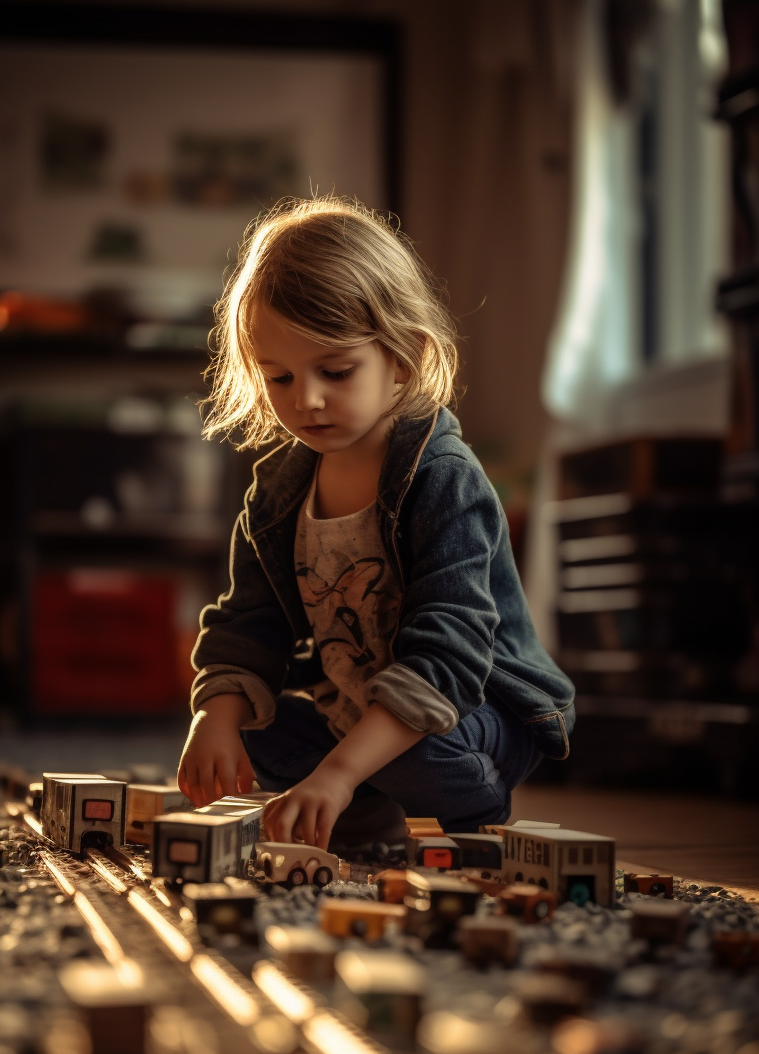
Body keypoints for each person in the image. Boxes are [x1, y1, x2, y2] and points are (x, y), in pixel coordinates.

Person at [177, 195, 574, 850]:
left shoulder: (443, 477)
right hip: (356, 711)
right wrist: (213, 718)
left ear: (403, 359)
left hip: (470, 713)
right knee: (251, 730)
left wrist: (335, 773)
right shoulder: (279, 492)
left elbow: (448, 652)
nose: (305, 400)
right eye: (278, 377)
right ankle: (365, 819)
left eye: (335, 372)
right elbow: (247, 620)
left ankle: (476, 804)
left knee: (420, 756)